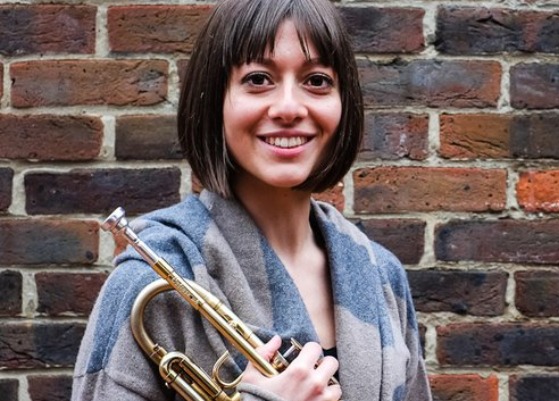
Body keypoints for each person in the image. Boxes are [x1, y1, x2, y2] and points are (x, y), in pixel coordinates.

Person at [71, 0, 432, 400]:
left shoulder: (382, 275)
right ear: (215, 101)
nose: (289, 108)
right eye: (258, 79)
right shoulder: (150, 281)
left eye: (317, 81)